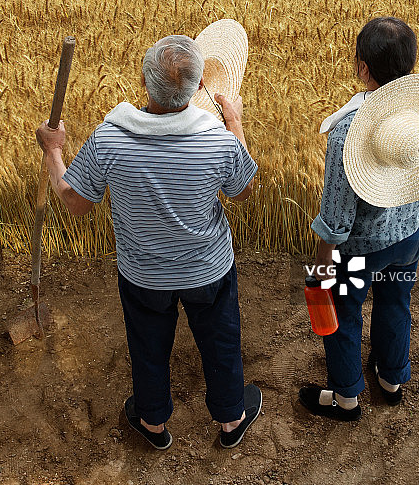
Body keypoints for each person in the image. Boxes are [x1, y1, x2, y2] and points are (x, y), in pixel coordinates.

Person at [36, 34, 262, 450]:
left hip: (143, 275)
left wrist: (53, 151)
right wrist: (236, 126)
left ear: (144, 83)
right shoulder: (219, 141)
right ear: (197, 89)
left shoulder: (110, 139)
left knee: (148, 346)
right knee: (221, 341)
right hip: (208, 271)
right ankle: (232, 418)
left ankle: (153, 422)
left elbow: (75, 202)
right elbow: (244, 191)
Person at [299, 16, 419, 421]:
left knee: (344, 314)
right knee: (396, 303)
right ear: (411, 63)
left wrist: (323, 263)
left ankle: (345, 399)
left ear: (362, 66)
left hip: (359, 250)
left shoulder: (349, 132)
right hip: (409, 237)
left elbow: (337, 217)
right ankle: (391, 379)